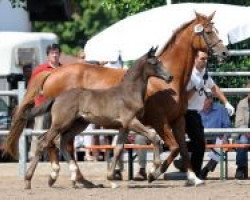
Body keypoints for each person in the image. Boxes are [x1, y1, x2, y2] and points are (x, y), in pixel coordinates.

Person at [174, 51, 235, 178]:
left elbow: (214, 88)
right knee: (196, 143)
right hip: (184, 112)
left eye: (206, 59)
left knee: (198, 143)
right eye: (202, 59)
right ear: (195, 58)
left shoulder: (204, 73)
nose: (205, 61)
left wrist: (226, 102)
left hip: (194, 113)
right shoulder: (188, 74)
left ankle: (193, 172)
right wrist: (196, 88)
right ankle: (191, 170)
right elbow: (183, 98)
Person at [29, 43, 61, 160]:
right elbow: (33, 87)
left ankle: (54, 156)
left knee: (56, 132)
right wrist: (45, 92)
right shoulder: (40, 70)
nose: (55, 55)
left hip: (58, 107)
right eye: (52, 53)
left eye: (57, 53)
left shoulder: (64, 70)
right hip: (42, 104)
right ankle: (33, 155)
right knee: (38, 130)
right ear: (48, 55)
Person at [199, 91, 231, 179]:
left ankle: (205, 170)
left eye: (206, 99)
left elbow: (227, 126)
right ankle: (192, 170)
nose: (203, 102)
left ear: (211, 100)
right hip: (200, 137)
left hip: (217, 137)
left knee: (223, 146)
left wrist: (225, 136)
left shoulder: (221, 108)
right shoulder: (195, 110)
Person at [234, 80, 250, 180]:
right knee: (243, 141)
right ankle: (241, 168)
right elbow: (239, 123)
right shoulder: (242, 103)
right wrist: (247, 132)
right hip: (246, 134)